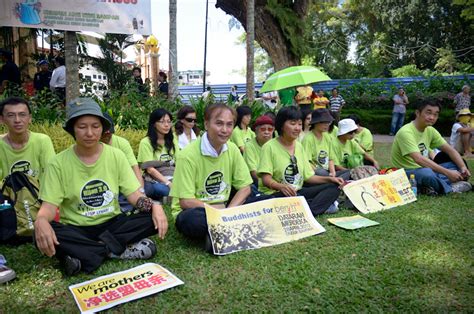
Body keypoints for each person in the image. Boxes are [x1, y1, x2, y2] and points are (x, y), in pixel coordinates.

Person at [34, 97, 168, 275]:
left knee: (149, 219)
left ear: (103, 129)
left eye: (95, 126)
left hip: (111, 223)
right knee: (40, 233)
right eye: (82, 126)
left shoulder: (116, 156)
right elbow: (49, 207)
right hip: (77, 228)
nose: (89, 133)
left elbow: (135, 196)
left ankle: (84, 254)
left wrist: (155, 206)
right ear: (73, 129)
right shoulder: (57, 163)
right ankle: (112, 250)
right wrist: (41, 220)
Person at [171, 103, 253, 245]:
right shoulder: (187, 156)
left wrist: (228, 213)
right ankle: (227, 231)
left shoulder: (232, 149)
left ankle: (218, 233)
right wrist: (219, 213)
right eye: (219, 124)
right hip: (198, 210)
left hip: (225, 207)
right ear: (207, 124)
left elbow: (245, 187)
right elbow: (186, 201)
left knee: (258, 200)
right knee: (190, 220)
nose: (225, 130)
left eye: (229, 125)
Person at [258, 106, 344, 216]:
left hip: (297, 192)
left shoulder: (299, 146)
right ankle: (311, 208)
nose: (297, 128)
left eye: (299, 124)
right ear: (281, 125)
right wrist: (281, 187)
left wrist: (330, 179)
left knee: (333, 188)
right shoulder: (269, 147)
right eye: (293, 124)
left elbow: (308, 177)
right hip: (277, 194)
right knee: (287, 198)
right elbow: (266, 179)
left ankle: (306, 210)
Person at [391, 99, 471, 195]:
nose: (432, 117)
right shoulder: (406, 132)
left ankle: (428, 187)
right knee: (427, 174)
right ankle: (450, 189)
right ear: (417, 113)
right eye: (428, 113)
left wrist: (462, 168)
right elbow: (419, 159)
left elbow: (450, 150)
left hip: (425, 168)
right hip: (406, 172)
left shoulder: (430, 130)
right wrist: (447, 173)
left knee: (456, 165)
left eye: (435, 114)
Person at [0, 97, 55, 183]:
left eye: (22, 114)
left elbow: (51, 175)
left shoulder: (42, 141)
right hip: (5, 194)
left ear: (30, 118)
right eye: (11, 115)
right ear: (2, 119)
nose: (17, 120)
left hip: (38, 194)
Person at [101, 113, 145, 212]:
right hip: (106, 187)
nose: (108, 134)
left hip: (124, 184)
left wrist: (141, 191)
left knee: (146, 190)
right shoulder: (93, 147)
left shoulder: (122, 143)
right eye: (105, 133)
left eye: (110, 132)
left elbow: (134, 167)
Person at [137, 108, 179, 201]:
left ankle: (170, 197)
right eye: (162, 122)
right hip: (155, 179)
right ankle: (170, 196)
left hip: (173, 175)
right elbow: (150, 169)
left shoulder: (173, 140)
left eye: (169, 121)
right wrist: (168, 183)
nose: (167, 125)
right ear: (154, 124)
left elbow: (179, 162)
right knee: (161, 189)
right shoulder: (146, 142)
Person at [302, 109, 350, 180]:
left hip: (328, 171)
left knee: (351, 172)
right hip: (316, 172)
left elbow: (331, 159)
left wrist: (332, 173)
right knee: (321, 172)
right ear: (315, 122)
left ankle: (335, 181)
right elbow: (306, 162)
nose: (327, 125)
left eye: (328, 122)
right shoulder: (308, 139)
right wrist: (324, 175)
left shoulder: (327, 136)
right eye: (323, 122)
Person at [243, 115, 274, 190]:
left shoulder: (276, 145)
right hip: (258, 184)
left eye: (270, 129)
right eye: (263, 129)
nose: (266, 132)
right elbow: (253, 172)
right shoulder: (249, 146)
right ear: (256, 131)